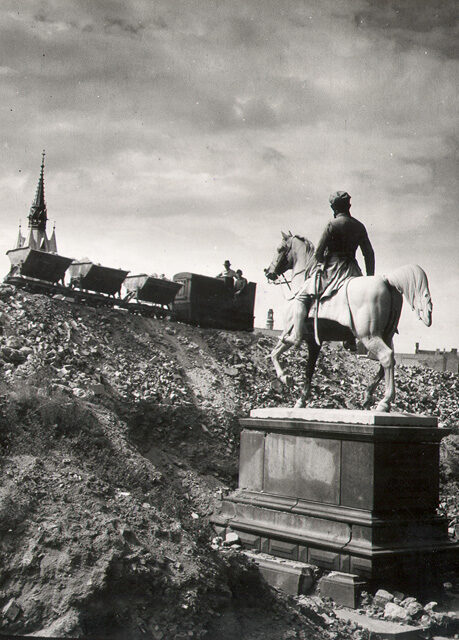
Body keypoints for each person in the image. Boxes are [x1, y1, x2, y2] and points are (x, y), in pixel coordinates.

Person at [289, 191, 375, 348]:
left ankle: (296, 335)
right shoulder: (359, 226)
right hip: (353, 271)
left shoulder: (332, 225)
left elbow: (318, 252)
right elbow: (369, 254)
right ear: (348, 206)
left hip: (333, 269)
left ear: (334, 208)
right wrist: (369, 278)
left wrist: (321, 262)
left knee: (301, 297)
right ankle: (350, 338)